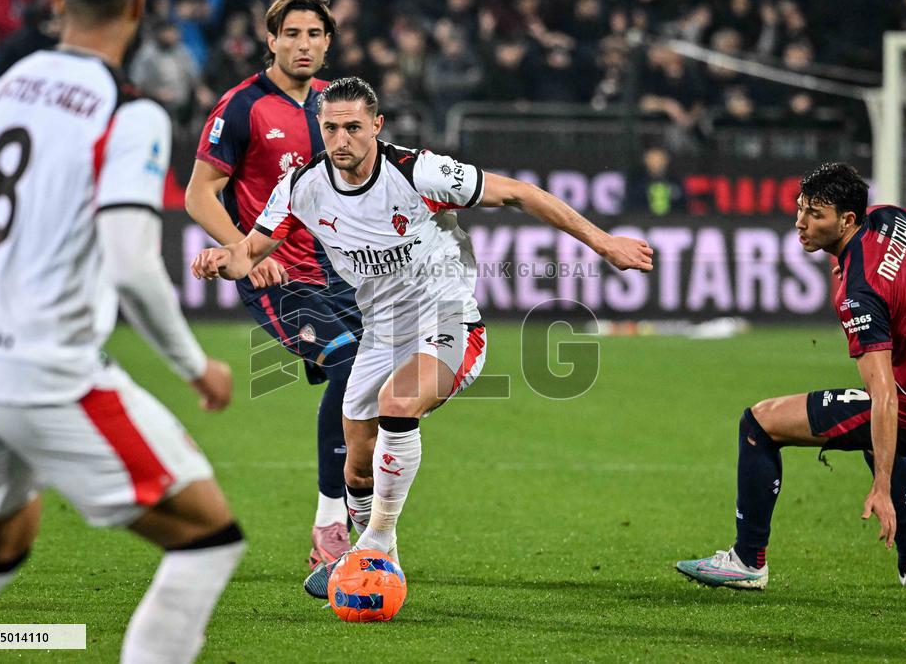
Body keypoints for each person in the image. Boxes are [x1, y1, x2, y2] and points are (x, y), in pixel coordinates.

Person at [190, 76, 655, 598]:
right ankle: (366, 548)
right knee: (358, 467)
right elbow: (249, 252)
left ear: (377, 126)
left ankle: (378, 548)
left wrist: (604, 242)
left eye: (353, 128)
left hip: (450, 322)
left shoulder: (418, 171)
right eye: (330, 129)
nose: (341, 140)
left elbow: (521, 194)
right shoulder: (302, 186)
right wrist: (221, 259)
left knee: (399, 401)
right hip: (381, 334)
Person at [0, 0, 244, 661]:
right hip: (47, 371)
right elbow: (130, 261)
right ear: (136, 9)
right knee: (209, 540)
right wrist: (194, 365)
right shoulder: (128, 112)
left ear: (61, 5)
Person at [676, 163, 906, 590]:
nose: (801, 222)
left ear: (847, 220)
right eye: (800, 208)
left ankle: (747, 560)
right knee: (873, 431)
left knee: (760, 423)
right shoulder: (890, 216)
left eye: (815, 214)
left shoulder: (859, 293)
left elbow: (883, 396)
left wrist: (881, 486)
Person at [186, 0, 360, 571]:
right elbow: (199, 194)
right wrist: (242, 250)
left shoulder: (337, 107)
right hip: (277, 277)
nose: (303, 44)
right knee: (348, 361)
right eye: (292, 34)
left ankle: (363, 515)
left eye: (315, 33)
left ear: (329, 41)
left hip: (343, 277)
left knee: (379, 385)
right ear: (272, 39)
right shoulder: (242, 108)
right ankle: (331, 521)